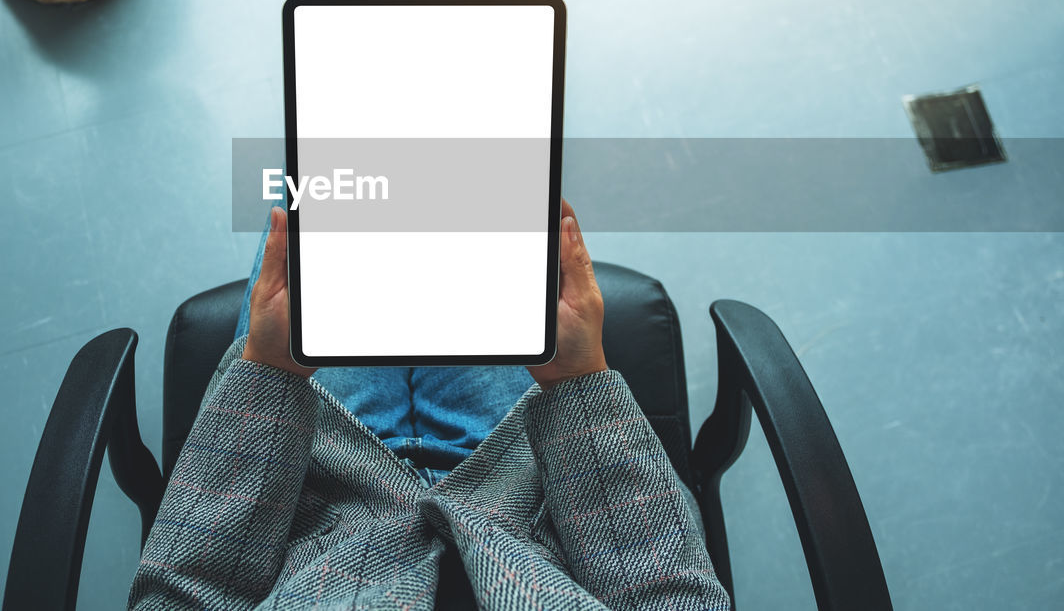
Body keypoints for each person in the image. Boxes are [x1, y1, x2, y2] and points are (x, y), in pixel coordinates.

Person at [129, 201, 729, 610]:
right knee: (461, 175)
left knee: (349, 175)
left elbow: (186, 595)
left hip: (316, 500)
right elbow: (664, 595)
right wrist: (578, 385)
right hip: (523, 488)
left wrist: (270, 373)